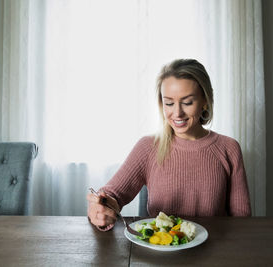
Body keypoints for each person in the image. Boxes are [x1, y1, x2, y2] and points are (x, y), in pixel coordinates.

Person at [87, 59, 251, 230]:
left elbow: (242, 221)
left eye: (187, 102)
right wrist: (101, 208)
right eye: (169, 103)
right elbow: (113, 194)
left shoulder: (229, 148)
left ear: (205, 101)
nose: (177, 113)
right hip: (160, 250)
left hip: (215, 250)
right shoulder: (148, 147)